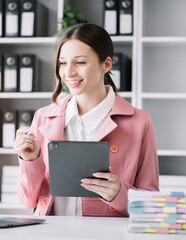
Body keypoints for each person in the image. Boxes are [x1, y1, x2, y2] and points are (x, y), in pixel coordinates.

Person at [13, 23, 159, 217]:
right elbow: (27, 200)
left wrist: (119, 194)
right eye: (63, 63)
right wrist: (29, 161)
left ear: (106, 64)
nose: (68, 73)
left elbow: (151, 204)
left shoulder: (139, 122)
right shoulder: (43, 117)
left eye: (80, 62)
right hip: (50, 232)